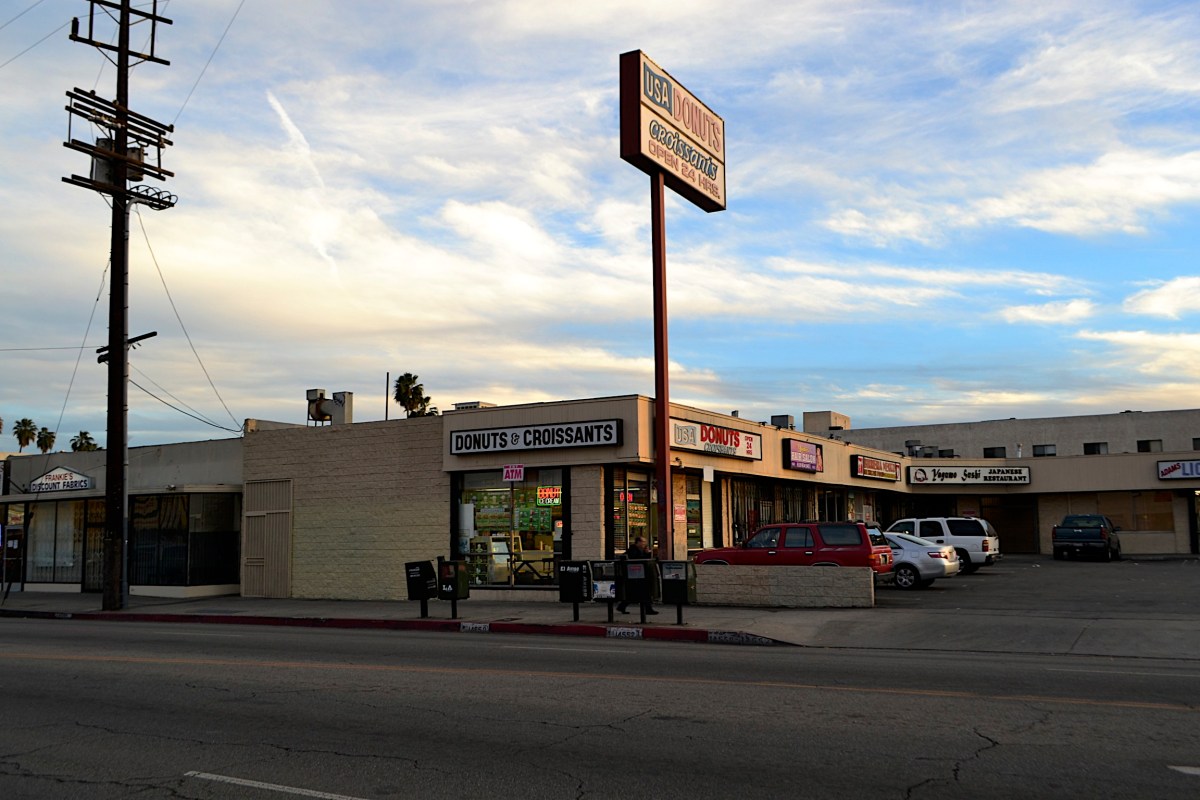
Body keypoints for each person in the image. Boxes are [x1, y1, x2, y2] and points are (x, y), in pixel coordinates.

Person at [617, 536, 658, 615]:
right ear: (638, 542)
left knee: (634, 593)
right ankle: (648, 609)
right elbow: (637, 559)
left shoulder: (640, 550)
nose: (644, 544)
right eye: (643, 542)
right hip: (635, 574)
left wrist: (647, 553)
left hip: (638, 574)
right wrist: (646, 554)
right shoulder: (633, 550)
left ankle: (622, 606)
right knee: (643, 593)